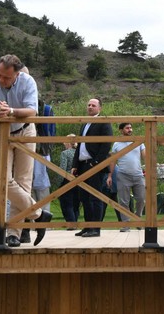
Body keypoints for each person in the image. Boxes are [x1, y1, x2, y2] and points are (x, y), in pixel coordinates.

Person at [0, 55, 51, 247]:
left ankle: (14, 234)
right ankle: (39, 214)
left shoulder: (28, 81)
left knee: (23, 182)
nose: (1, 80)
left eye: (6, 77)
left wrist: (12, 112)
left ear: (17, 74)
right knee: (2, 180)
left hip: (25, 130)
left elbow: (32, 111)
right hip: (0, 132)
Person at [71, 98, 113, 238]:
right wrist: (75, 165)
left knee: (95, 197)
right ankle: (87, 227)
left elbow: (106, 145)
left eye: (93, 105)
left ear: (99, 108)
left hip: (94, 165)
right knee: (84, 197)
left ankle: (95, 228)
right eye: (88, 105)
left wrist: (96, 163)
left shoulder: (103, 122)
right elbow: (80, 145)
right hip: (82, 165)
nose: (90, 107)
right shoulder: (84, 123)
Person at [109, 123, 146, 232]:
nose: (130, 130)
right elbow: (113, 161)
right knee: (124, 201)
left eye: (130, 127)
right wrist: (110, 176)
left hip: (138, 174)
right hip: (123, 175)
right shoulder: (116, 144)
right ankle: (126, 224)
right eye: (127, 128)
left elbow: (145, 157)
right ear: (121, 130)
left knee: (141, 199)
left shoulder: (138, 142)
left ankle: (137, 219)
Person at [58, 138, 81, 229]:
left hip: (67, 180)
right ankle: (75, 222)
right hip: (79, 179)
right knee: (76, 203)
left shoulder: (65, 153)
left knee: (67, 203)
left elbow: (62, 169)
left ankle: (71, 224)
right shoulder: (79, 153)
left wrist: (59, 183)